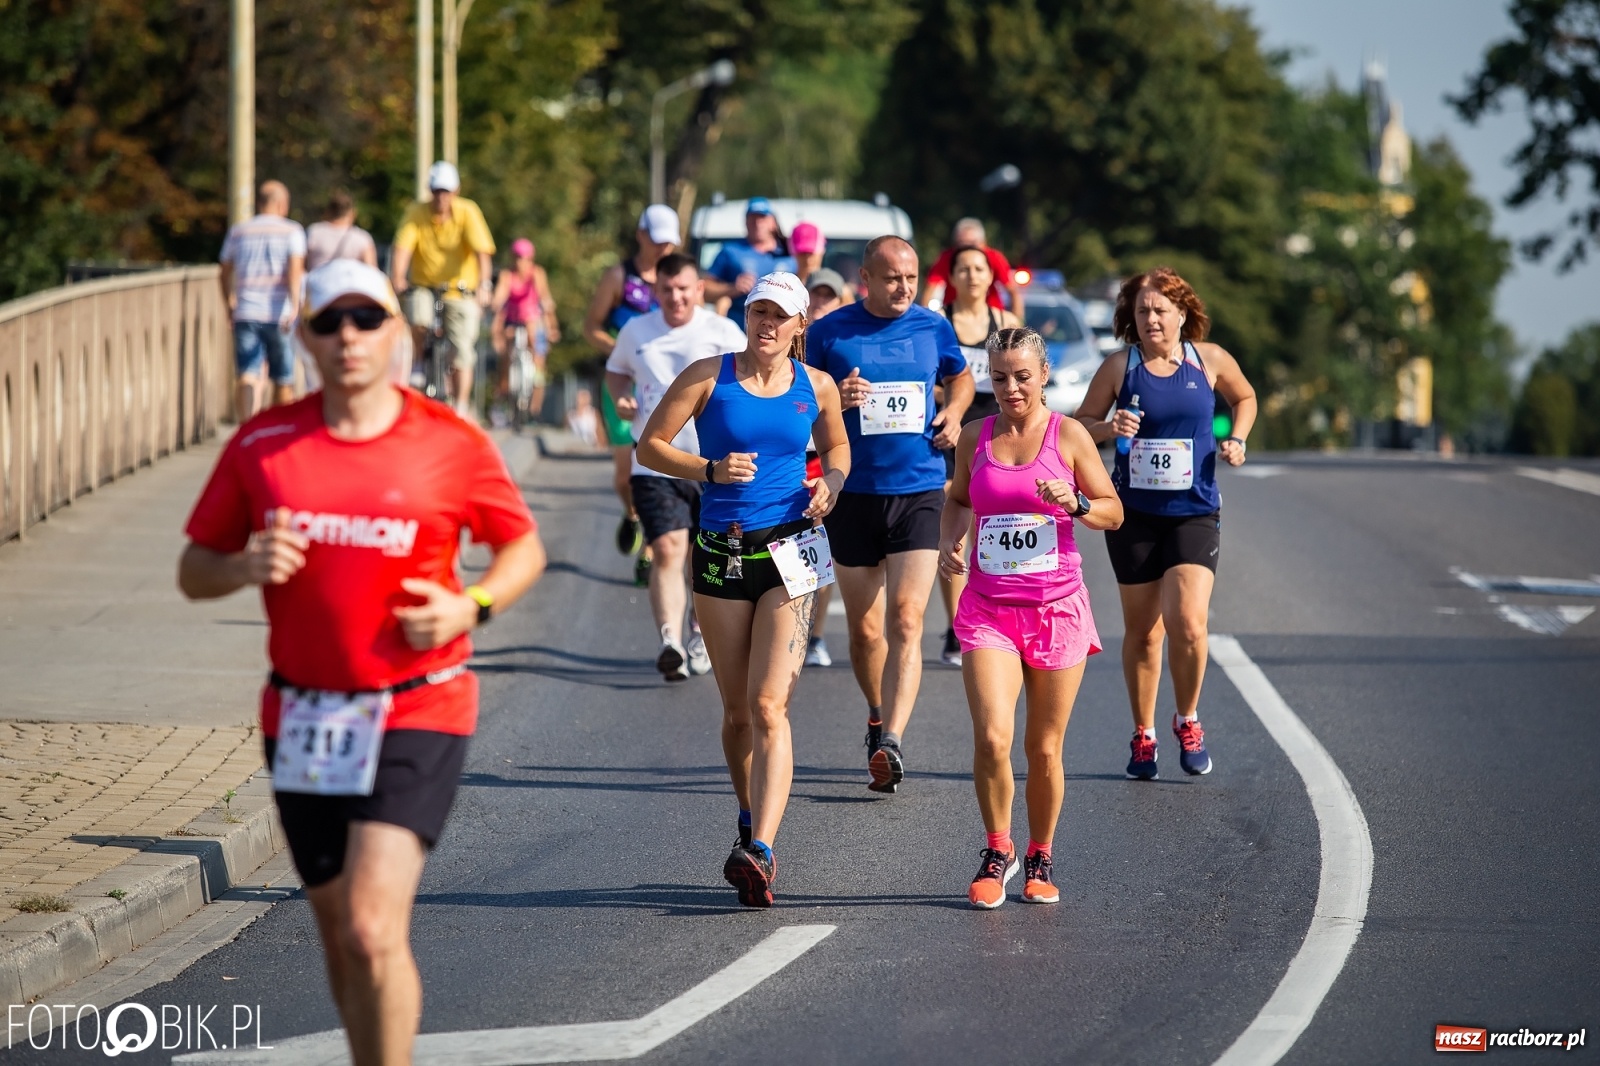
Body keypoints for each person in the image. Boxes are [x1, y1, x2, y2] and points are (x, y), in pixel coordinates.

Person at [177, 259, 545, 1066]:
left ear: (396, 332)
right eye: (329, 321)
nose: (348, 335)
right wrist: (242, 565)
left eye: (366, 318)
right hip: (304, 714)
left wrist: (471, 606)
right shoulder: (264, 443)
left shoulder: (449, 442)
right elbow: (194, 569)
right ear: (305, 338)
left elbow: (522, 546)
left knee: (374, 928)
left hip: (419, 704)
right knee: (342, 933)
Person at [636, 272, 848, 908]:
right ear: (746, 316)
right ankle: (749, 814)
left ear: (800, 325)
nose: (768, 324)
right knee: (736, 714)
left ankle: (761, 849)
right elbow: (649, 447)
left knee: (768, 706)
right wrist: (708, 468)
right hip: (722, 554)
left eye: (781, 315)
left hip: (792, 552)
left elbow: (837, 446)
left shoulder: (817, 385)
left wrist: (832, 484)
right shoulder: (710, 375)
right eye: (759, 312)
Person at [939, 327, 1122, 908]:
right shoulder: (976, 435)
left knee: (1043, 749)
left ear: (1044, 374)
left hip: (1055, 610)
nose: (1011, 388)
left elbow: (1113, 511)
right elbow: (958, 498)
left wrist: (1078, 503)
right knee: (993, 737)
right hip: (988, 609)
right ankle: (999, 849)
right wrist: (951, 542)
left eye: (1022, 376)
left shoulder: (1069, 435)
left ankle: (1040, 855)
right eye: (999, 378)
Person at [1072, 267, 1257, 780]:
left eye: (1160, 310)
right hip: (1133, 516)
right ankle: (1143, 733)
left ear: (1182, 313)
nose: (1151, 319)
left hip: (1194, 511)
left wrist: (1238, 438)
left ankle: (1188, 718)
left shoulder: (1209, 359)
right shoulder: (1119, 366)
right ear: (1130, 317)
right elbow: (1078, 426)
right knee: (1143, 632)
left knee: (1189, 624)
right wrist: (1108, 426)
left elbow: (1245, 397)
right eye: (1141, 311)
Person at [807, 235, 972, 793]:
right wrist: (836, 396)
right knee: (865, 629)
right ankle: (876, 715)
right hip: (852, 492)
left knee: (905, 619)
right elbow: (797, 398)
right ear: (866, 280)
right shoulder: (830, 332)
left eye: (911, 277)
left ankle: (893, 741)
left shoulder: (933, 326)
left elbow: (960, 376)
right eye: (892, 278)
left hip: (919, 488)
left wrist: (955, 411)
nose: (904, 288)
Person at [606, 253, 747, 681]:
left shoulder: (723, 332)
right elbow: (616, 371)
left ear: (699, 289)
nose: (676, 297)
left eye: (684, 288)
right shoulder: (636, 331)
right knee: (668, 548)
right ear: (655, 291)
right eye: (666, 290)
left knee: (702, 556)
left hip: (712, 464)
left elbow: (752, 380)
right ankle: (671, 642)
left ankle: (701, 632)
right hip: (655, 463)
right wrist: (621, 397)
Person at [936, 245, 1023, 666]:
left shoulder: (1005, 323)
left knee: (997, 527)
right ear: (952, 277)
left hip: (999, 432)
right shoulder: (939, 321)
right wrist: (951, 399)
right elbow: (925, 381)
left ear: (991, 276)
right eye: (964, 269)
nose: (972, 275)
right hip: (952, 433)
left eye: (979, 269)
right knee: (956, 530)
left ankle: (1001, 614)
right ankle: (957, 627)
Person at [582, 205, 681, 575]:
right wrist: (622, 350)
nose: (663, 249)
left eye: (669, 243)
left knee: (658, 467)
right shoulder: (618, 276)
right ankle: (632, 513)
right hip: (623, 382)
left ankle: (652, 550)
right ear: (641, 235)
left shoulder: (679, 281)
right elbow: (591, 327)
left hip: (665, 384)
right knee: (626, 475)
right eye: (657, 241)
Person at [390, 160, 496, 419]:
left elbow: (482, 253)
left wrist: (484, 285)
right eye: (437, 191)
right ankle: (418, 362)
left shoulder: (468, 212)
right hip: (424, 285)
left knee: (462, 349)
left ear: (455, 191)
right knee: (418, 318)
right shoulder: (416, 212)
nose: (441, 197)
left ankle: (460, 407)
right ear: (430, 190)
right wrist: (398, 278)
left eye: (446, 191)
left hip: (460, 289)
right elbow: (402, 248)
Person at [219, 179, 306, 418]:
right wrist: (295, 305)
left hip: (246, 311)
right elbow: (295, 271)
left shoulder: (239, 231)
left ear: (260, 203)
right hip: (279, 313)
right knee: (283, 377)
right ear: (281, 204)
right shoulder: (292, 231)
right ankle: (278, 428)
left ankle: (246, 426)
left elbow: (224, 270)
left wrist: (229, 302)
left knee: (247, 372)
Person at [801, 269, 849, 667]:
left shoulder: (842, 343)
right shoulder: (781, 340)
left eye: (828, 297)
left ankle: (813, 635)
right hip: (781, 457)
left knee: (817, 542)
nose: (820, 303)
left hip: (820, 455)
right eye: (814, 296)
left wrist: (842, 399)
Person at [491, 238, 559, 421]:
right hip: (512, 320)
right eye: (517, 257)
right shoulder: (507, 275)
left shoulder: (537, 273)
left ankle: (535, 406)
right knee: (505, 351)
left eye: (525, 258)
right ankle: (504, 390)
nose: (521, 262)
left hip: (533, 319)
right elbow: (501, 295)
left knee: (538, 358)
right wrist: (495, 303)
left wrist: (552, 325)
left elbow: (545, 298)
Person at [703, 197, 796, 322]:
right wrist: (732, 288)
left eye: (762, 218)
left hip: (779, 325)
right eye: (753, 218)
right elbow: (704, 289)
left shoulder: (789, 252)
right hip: (739, 326)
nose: (757, 223)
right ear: (745, 222)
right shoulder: (730, 251)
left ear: (773, 222)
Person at [918, 217, 1024, 319]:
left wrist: (1017, 322)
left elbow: (1012, 291)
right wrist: (925, 320)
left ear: (983, 243)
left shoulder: (995, 258)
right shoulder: (947, 258)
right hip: (954, 315)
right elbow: (930, 288)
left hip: (990, 317)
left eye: (979, 269)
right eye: (962, 243)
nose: (967, 248)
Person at [304, 189, 378, 271]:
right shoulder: (362, 238)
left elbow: (300, 266)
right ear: (353, 213)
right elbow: (371, 271)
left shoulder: (313, 232)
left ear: (328, 211)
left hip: (317, 278)